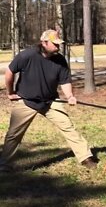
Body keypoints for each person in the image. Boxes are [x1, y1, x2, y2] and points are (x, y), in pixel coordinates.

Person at [0, 29, 97, 172]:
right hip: (27, 101)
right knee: (13, 134)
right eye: (55, 44)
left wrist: (69, 96)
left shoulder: (60, 59)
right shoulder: (27, 55)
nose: (58, 47)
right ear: (44, 43)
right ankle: (4, 164)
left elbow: (65, 81)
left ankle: (86, 158)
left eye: (59, 44)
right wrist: (10, 92)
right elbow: (9, 72)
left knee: (69, 128)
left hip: (51, 101)